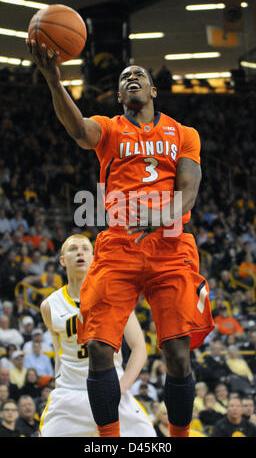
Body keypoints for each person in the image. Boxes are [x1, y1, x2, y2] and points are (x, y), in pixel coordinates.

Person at [27, 41, 215, 438]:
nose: (132, 79)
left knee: (179, 356)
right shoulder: (110, 128)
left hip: (171, 245)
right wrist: (52, 77)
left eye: (140, 77)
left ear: (152, 91)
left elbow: (189, 191)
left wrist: (159, 216)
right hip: (118, 245)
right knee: (98, 346)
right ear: (118, 95)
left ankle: (178, 437)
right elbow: (77, 129)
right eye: (125, 78)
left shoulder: (184, 134)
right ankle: (109, 442)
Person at [39, 234, 156, 437]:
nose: (80, 252)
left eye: (85, 248)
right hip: (69, 394)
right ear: (62, 260)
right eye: (73, 249)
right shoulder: (49, 305)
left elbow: (139, 347)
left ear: (94, 258)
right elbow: (60, 351)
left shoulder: (114, 296)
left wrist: (122, 386)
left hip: (111, 386)